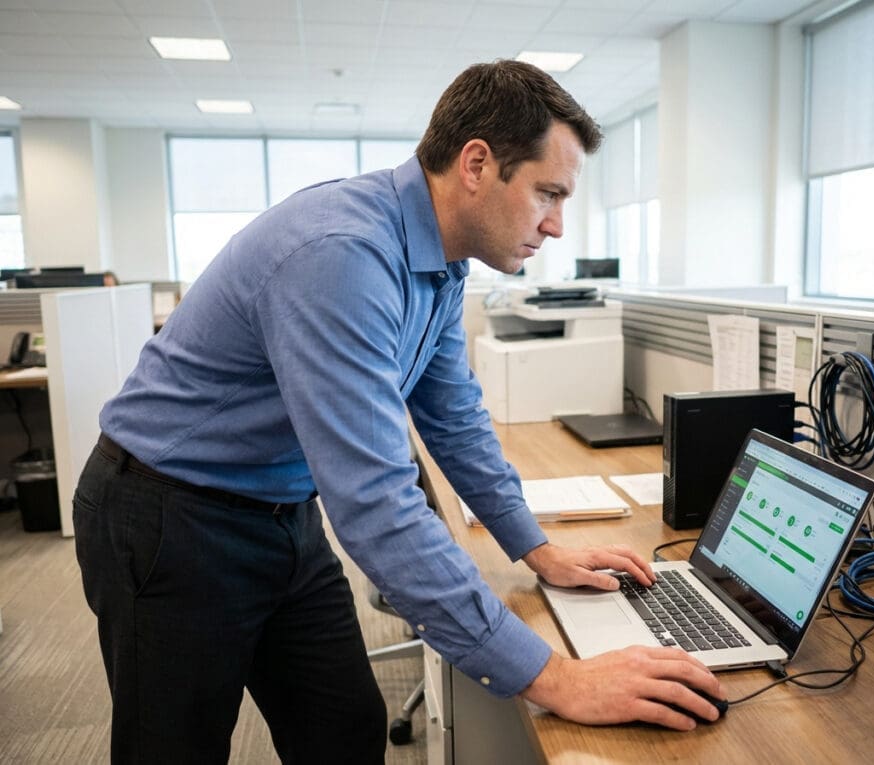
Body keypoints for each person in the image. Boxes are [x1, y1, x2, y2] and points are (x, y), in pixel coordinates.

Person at [73, 60, 725, 764]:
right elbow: (377, 503)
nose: (558, 225)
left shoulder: (441, 261)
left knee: (345, 727)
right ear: (477, 163)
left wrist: (536, 546)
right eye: (548, 193)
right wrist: (555, 678)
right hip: (167, 513)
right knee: (173, 747)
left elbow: (452, 412)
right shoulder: (343, 254)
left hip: (281, 511)